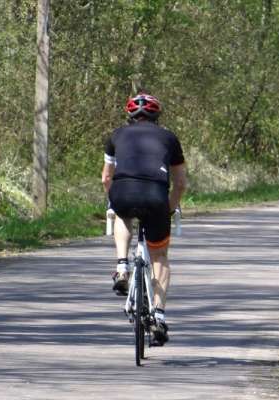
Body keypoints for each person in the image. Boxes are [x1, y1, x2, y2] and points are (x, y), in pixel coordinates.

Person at [101, 92, 187, 346]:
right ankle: (158, 317)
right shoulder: (169, 138)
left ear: (129, 116)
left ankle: (122, 267)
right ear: (157, 116)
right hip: (156, 195)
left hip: (124, 191)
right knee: (159, 256)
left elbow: (106, 178)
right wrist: (169, 209)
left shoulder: (115, 135)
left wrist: (113, 201)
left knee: (122, 213)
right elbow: (180, 182)